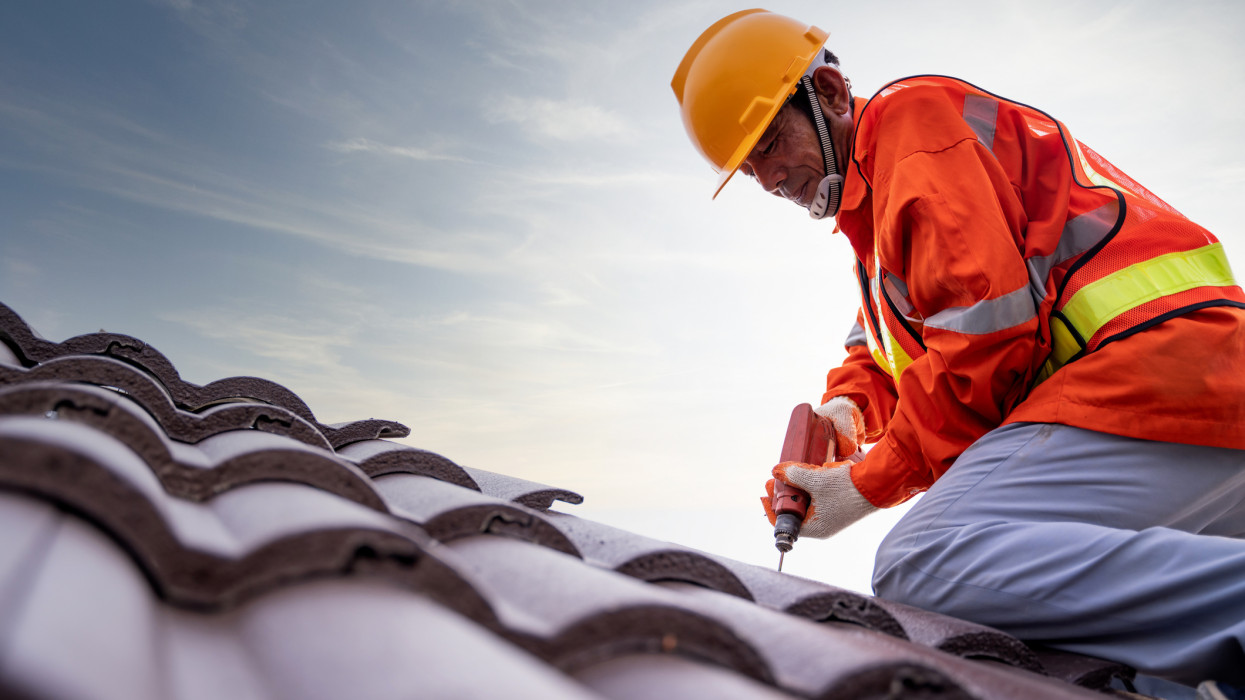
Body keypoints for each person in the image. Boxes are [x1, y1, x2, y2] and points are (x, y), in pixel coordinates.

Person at [672, 9, 1245, 696]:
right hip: (1184, 390)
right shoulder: (879, 220)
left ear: (826, 94)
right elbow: (886, 348)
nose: (766, 179)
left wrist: (864, 484)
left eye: (767, 143)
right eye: (748, 168)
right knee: (1081, 621)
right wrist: (846, 413)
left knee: (926, 559)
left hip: (1156, 379)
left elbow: (983, 344)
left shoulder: (912, 134)